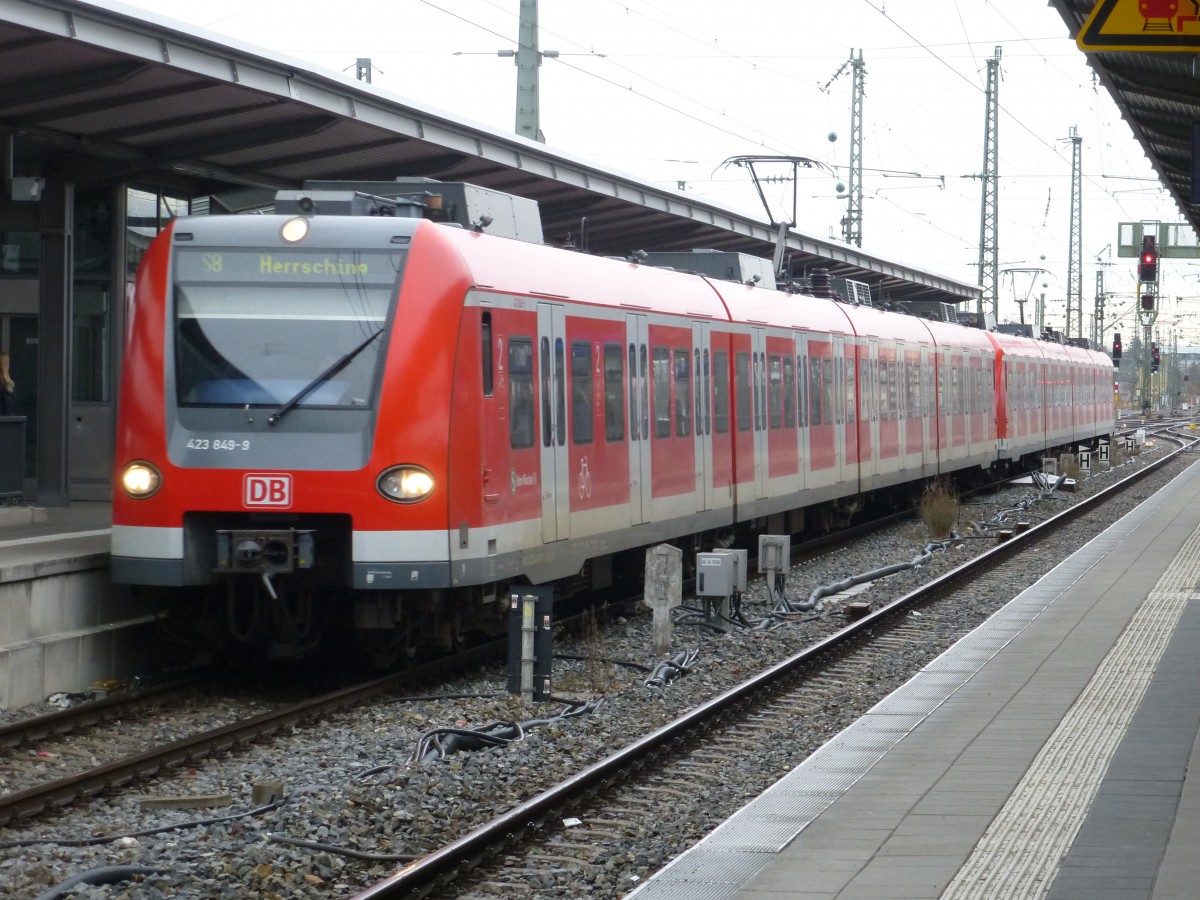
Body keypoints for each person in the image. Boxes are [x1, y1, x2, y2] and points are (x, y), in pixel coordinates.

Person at [0, 351, 14, 416]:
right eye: (5, 363)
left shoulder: (7, 379)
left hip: (7, 415)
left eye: (7, 362)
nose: (7, 365)